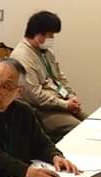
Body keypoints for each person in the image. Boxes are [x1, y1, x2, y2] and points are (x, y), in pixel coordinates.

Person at [9, 10, 83, 141]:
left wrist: (71, 96)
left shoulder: (46, 52)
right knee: (79, 130)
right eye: (50, 35)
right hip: (41, 110)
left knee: (91, 122)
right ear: (38, 34)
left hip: (59, 101)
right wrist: (65, 105)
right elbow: (34, 96)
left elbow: (59, 77)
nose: (52, 39)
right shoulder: (22, 56)